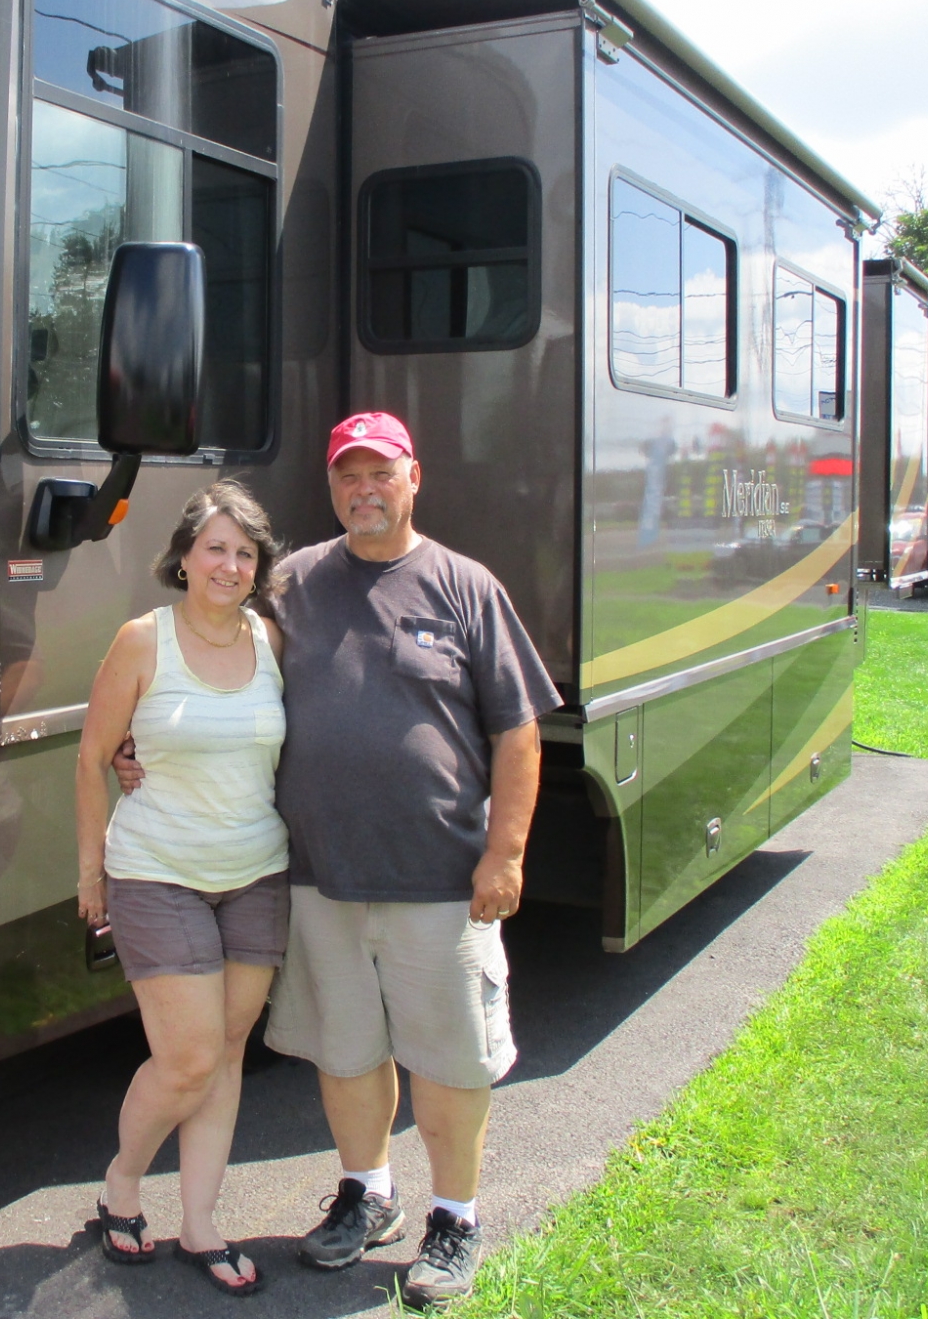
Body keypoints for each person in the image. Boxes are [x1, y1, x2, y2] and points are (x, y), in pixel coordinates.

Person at [117, 412, 557, 1308]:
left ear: (413, 478)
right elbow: (218, 664)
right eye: (348, 475)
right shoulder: (293, 586)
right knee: (346, 1054)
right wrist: (142, 745)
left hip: (440, 878)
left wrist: (505, 854)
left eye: (380, 473)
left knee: (450, 1061)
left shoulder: (466, 587)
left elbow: (518, 733)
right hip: (318, 877)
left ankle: (455, 1217)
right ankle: (368, 1192)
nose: (365, 489)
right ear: (331, 487)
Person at [74, 480, 292, 1298]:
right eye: (216, 549)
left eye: (245, 553)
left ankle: (201, 1223)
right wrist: (90, 872)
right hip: (158, 873)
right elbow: (92, 757)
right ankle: (122, 1183)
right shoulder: (143, 641)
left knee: (227, 1052)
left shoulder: (270, 640)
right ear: (185, 559)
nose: (230, 565)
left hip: (256, 873)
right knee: (190, 1055)